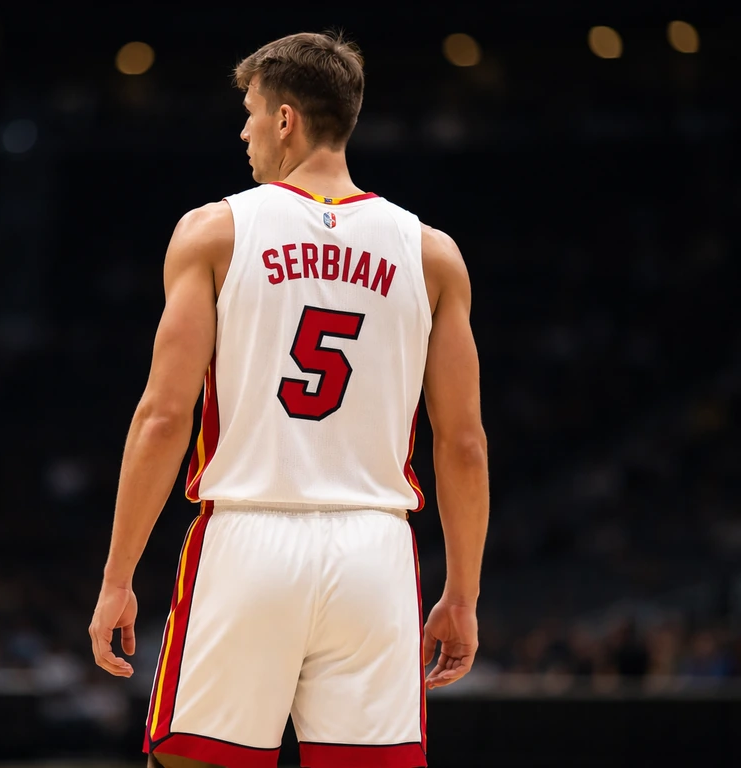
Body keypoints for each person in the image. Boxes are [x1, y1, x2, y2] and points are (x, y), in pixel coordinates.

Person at [89, 31, 489, 768]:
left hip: (248, 537)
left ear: (284, 120)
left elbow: (163, 416)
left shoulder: (215, 231)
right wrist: (460, 594)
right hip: (374, 548)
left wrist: (118, 578)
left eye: (248, 112)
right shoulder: (432, 253)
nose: (242, 130)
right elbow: (462, 442)